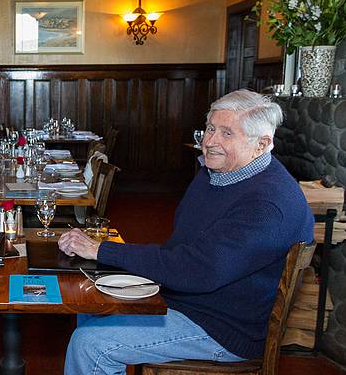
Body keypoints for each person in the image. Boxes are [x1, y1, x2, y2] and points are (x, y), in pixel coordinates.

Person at [58, 89, 314, 375]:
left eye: (227, 133)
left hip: (222, 327)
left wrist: (102, 249)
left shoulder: (268, 203)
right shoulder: (216, 174)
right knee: (88, 300)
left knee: (91, 344)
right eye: (210, 128)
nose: (210, 141)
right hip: (190, 298)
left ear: (261, 144)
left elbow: (198, 269)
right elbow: (184, 252)